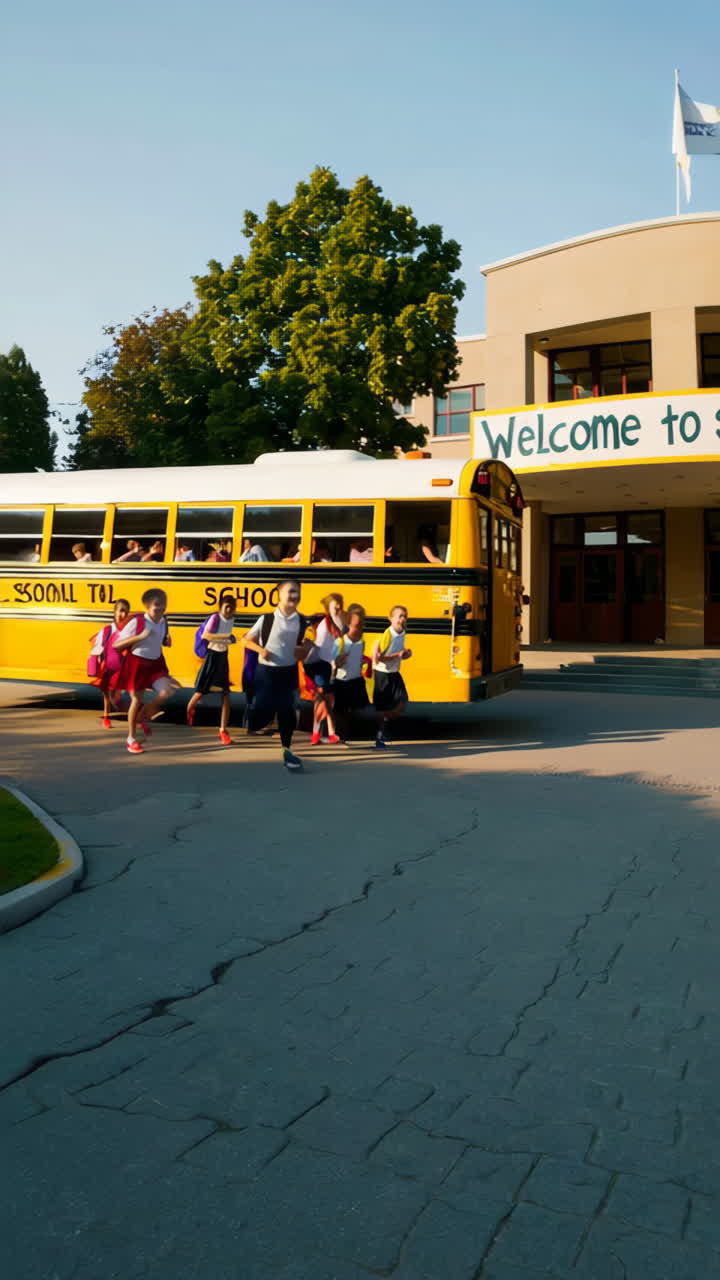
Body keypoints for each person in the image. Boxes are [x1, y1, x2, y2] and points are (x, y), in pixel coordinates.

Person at [242, 579, 311, 772]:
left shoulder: (302, 621)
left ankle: (287, 750)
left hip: (288, 672)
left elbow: (308, 644)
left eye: (297, 592)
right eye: (290, 591)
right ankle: (254, 718)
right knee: (262, 714)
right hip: (266, 672)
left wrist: (304, 649)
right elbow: (246, 640)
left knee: (287, 712)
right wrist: (260, 650)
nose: (293, 596)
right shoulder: (267, 619)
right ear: (279, 595)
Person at [112, 587, 178, 755]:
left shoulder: (164, 620)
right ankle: (131, 738)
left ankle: (146, 711)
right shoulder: (138, 622)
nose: (161, 608)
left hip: (156, 663)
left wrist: (166, 641)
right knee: (136, 699)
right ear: (147, 607)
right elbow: (116, 645)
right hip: (138, 663)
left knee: (166, 691)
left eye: (164, 604)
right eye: (157, 604)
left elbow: (161, 639)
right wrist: (139, 637)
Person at [186, 594, 237, 745]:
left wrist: (228, 640)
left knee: (226, 694)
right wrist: (227, 637)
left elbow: (224, 639)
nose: (229, 610)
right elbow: (206, 635)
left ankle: (223, 730)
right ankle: (189, 709)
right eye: (226, 607)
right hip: (212, 656)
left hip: (223, 656)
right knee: (201, 691)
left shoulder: (231, 619)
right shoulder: (215, 618)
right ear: (220, 607)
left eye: (232, 607)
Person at [303, 593, 346, 746]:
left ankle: (325, 733)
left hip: (326, 664)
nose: (339, 609)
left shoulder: (336, 622)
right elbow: (320, 649)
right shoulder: (324, 626)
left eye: (340, 606)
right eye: (336, 607)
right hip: (316, 663)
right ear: (328, 608)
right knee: (322, 698)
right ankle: (320, 733)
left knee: (327, 700)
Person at [372, 605, 412, 749]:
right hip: (382, 674)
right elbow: (378, 658)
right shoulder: (388, 635)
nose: (402, 619)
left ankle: (385, 718)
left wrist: (405, 654)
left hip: (394, 673)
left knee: (403, 702)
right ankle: (379, 735)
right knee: (382, 707)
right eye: (399, 616)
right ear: (391, 618)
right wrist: (398, 655)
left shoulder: (402, 633)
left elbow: (399, 654)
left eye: (404, 616)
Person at [88, 598, 131, 728]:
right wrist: (99, 659)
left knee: (130, 690)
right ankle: (106, 716)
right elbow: (98, 647)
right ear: (115, 612)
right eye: (121, 611)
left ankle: (134, 715)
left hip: (123, 665)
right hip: (108, 665)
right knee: (107, 693)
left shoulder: (128, 631)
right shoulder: (108, 630)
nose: (123, 615)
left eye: (126, 612)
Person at [331, 604, 370, 742]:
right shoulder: (340, 642)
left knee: (359, 707)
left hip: (356, 680)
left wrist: (362, 663)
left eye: (361, 625)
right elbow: (332, 662)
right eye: (355, 625)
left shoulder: (361, 643)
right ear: (348, 624)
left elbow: (359, 659)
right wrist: (338, 662)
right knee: (341, 710)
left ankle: (349, 733)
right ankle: (341, 735)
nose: (358, 629)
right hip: (343, 680)